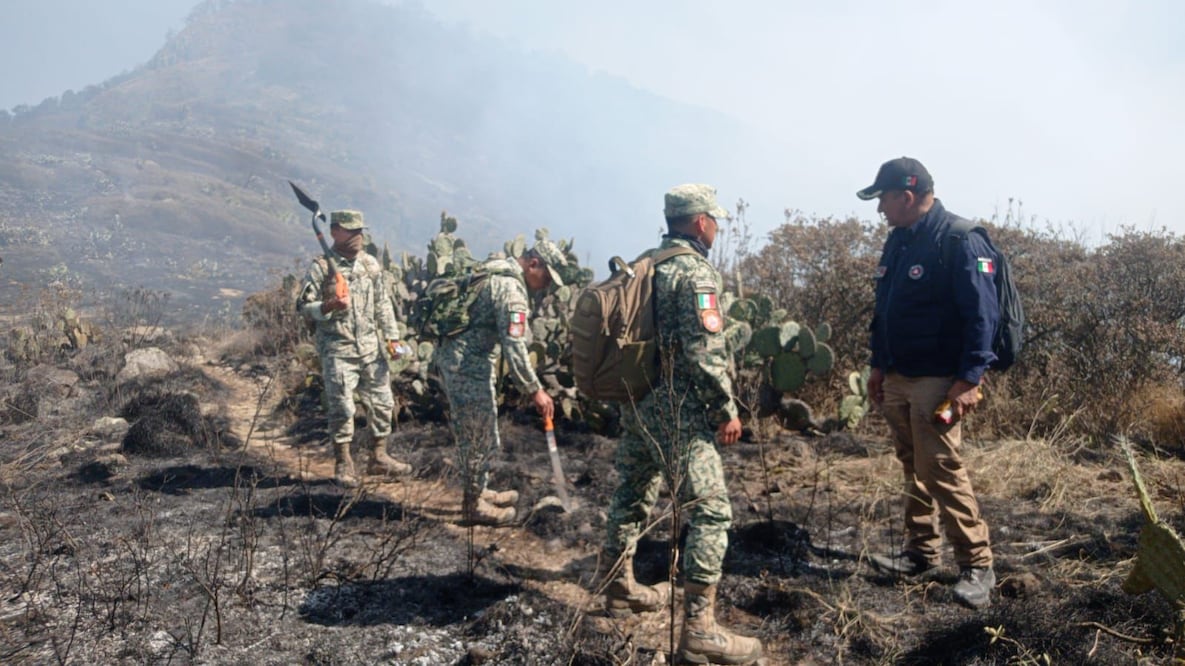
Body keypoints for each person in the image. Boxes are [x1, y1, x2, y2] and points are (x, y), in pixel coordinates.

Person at [599, 184, 763, 665]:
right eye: (714, 219)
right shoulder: (694, 273)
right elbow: (704, 351)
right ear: (699, 222)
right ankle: (699, 630)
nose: (716, 227)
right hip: (680, 411)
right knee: (712, 511)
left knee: (633, 488)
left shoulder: (647, 262)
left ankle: (618, 587)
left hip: (639, 401)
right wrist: (724, 410)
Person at [859, 157, 999, 609]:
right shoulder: (899, 240)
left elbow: (983, 317)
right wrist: (879, 366)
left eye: (883, 198)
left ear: (907, 195)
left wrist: (970, 380)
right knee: (910, 462)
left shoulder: (960, 239)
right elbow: (884, 309)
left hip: (939, 380)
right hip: (898, 376)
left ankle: (977, 564)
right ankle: (920, 552)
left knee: (939, 465)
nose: (880, 208)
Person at [433, 239, 564, 526]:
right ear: (533, 264)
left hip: (462, 359)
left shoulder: (497, 269)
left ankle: (480, 490)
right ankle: (473, 506)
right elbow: (515, 347)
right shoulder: (511, 290)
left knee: (482, 425)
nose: (546, 285)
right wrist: (535, 390)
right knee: (477, 431)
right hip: (466, 365)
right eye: (546, 276)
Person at [297, 210, 411, 488]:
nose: (359, 236)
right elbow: (303, 307)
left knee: (384, 403)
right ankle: (343, 462)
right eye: (352, 230)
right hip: (338, 348)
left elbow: (383, 305)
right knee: (342, 407)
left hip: (371, 349)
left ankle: (379, 456)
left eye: (361, 230)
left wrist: (393, 339)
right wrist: (328, 306)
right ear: (335, 232)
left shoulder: (370, 264)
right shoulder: (322, 267)